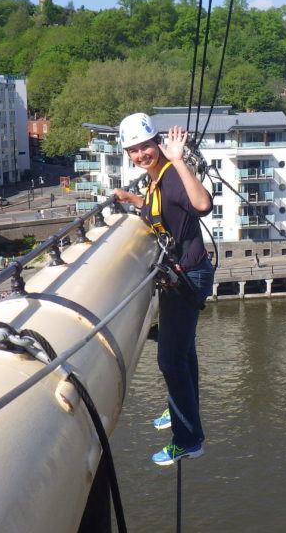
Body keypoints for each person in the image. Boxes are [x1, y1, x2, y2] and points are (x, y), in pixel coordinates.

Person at [112, 114, 214, 466]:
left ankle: (188, 439)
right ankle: (179, 411)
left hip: (188, 277)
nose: (141, 154)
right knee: (183, 354)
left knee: (170, 360)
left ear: (157, 143)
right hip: (183, 275)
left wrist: (179, 159)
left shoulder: (170, 175)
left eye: (145, 146)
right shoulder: (156, 181)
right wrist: (132, 199)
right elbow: (160, 212)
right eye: (134, 150)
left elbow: (202, 205)